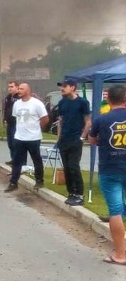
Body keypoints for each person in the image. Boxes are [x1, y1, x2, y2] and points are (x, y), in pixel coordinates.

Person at [87, 84, 126, 266]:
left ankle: (120, 254)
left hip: (110, 168)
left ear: (108, 99)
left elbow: (92, 140)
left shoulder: (101, 120)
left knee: (115, 211)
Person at [5, 82, 49, 192]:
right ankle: (13, 182)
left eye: (22, 89)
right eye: (18, 89)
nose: (19, 91)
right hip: (19, 137)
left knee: (36, 160)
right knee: (16, 161)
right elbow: (16, 118)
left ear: (28, 91)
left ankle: (39, 181)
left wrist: (39, 128)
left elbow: (45, 119)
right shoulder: (17, 104)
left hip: (33, 138)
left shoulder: (36, 104)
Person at [54, 78, 91, 206]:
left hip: (75, 139)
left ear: (73, 87)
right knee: (66, 167)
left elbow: (88, 121)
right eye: (61, 86)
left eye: (65, 86)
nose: (62, 89)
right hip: (64, 139)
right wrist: (59, 138)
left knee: (73, 166)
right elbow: (60, 121)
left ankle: (79, 194)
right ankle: (71, 193)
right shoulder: (62, 102)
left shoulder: (82, 102)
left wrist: (82, 137)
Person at [3, 81, 21, 165]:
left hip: (16, 124)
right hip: (9, 123)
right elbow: (6, 109)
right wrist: (4, 119)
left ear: (17, 87)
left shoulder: (19, 97)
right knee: (10, 143)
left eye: (12, 86)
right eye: (9, 87)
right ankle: (13, 159)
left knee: (15, 143)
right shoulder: (8, 97)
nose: (10, 88)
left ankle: (18, 160)